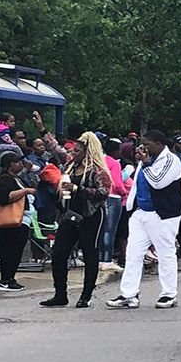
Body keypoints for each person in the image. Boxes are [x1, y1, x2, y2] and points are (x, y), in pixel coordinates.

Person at [107, 130, 181, 310]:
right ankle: (129, 294)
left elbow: (158, 182)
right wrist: (131, 205)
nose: (144, 148)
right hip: (141, 212)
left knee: (165, 253)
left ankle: (169, 294)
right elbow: (137, 182)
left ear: (158, 144)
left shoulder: (171, 160)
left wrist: (147, 163)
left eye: (147, 144)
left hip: (162, 214)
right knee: (133, 254)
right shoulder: (146, 160)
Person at [41, 132, 111, 308]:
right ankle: (60, 295)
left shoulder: (97, 170)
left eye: (78, 150)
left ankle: (85, 296)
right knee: (58, 254)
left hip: (91, 215)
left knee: (90, 254)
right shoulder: (71, 164)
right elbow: (56, 149)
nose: (73, 152)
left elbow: (104, 193)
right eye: (73, 150)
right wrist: (42, 130)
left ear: (88, 151)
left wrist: (78, 188)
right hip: (70, 214)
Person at [0, 152, 35, 292]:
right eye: (17, 162)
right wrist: (25, 191)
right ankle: (5, 279)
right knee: (10, 250)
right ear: (10, 164)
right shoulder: (5, 179)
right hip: (12, 221)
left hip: (23, 221)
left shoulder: (18, 178)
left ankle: (10, 278)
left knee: (16, 251)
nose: (20, 164)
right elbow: (3, 197)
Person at [98, 137, 128, 276]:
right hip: (114, 197)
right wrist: (124, 193)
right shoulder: (114, 163)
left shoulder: (100, 160)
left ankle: (100, 258)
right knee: (111, 230)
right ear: (115, 151)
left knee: (102, 229)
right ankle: (107, 259)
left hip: (101, 196)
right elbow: (117, 182)